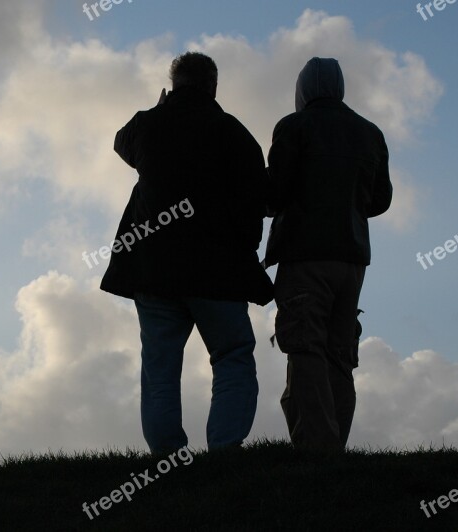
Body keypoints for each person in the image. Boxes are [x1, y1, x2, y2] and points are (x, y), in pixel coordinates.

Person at [100, 52, 273, 454]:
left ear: (174, 85)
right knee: (232, 357)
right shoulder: (233, 132)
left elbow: (121, 140)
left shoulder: (149, 125)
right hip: (218, 271)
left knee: (160, 368)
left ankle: (166, 456)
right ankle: (225, 449)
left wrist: (159, 108)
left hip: (153, 269)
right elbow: (256, 201)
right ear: (213, 85)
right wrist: (246, 249)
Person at [264, 57, 392, 451]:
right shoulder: (370, 132)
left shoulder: (294, 127)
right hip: (353, 259)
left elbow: (272, 195)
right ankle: (334, 445)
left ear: (302, 91)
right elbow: (381, 200)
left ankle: (317, 448)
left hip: (304, 257)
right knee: (339, 352)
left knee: (305, 346)